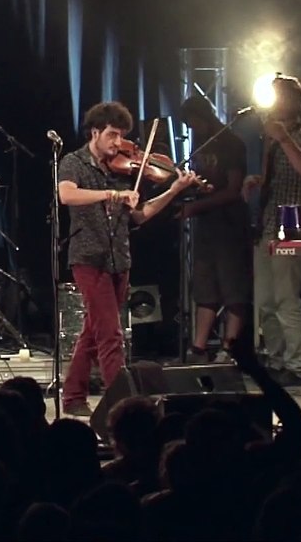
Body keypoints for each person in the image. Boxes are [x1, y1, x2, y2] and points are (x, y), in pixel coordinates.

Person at [57, 101, 198, 416]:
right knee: (111, 335)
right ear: (96, 132)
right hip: (88, 258)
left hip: (120, 259)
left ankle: (73, 397)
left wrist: (174, 189)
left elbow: (142, 214)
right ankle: (122, 405)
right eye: (112, 135)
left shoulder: (121, 171)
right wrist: (111, 195)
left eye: (121, 137)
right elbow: (66, 195)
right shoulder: (73, 162)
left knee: (94, 331)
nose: (118, 144)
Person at [242, 75, 301, 387]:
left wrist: (285, 139)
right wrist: (256, 180)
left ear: (291, 101)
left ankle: (297, 365)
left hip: (295, 227)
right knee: (264, 301)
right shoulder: (270, 139)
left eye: (277, 97)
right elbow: (274, 177)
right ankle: (274, 360)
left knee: (287, 299)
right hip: (268, 225)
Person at [177, 96, 252, 361]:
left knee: (233, 287)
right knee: (205, 287)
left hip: (229, 224)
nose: (193, 127)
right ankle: (198, 348)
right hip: (206, 225)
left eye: (194, 121)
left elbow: (233, 190)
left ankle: (230, 348)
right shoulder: (199, 143)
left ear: (205, 115)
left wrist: (197, 207)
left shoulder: (231, 143)